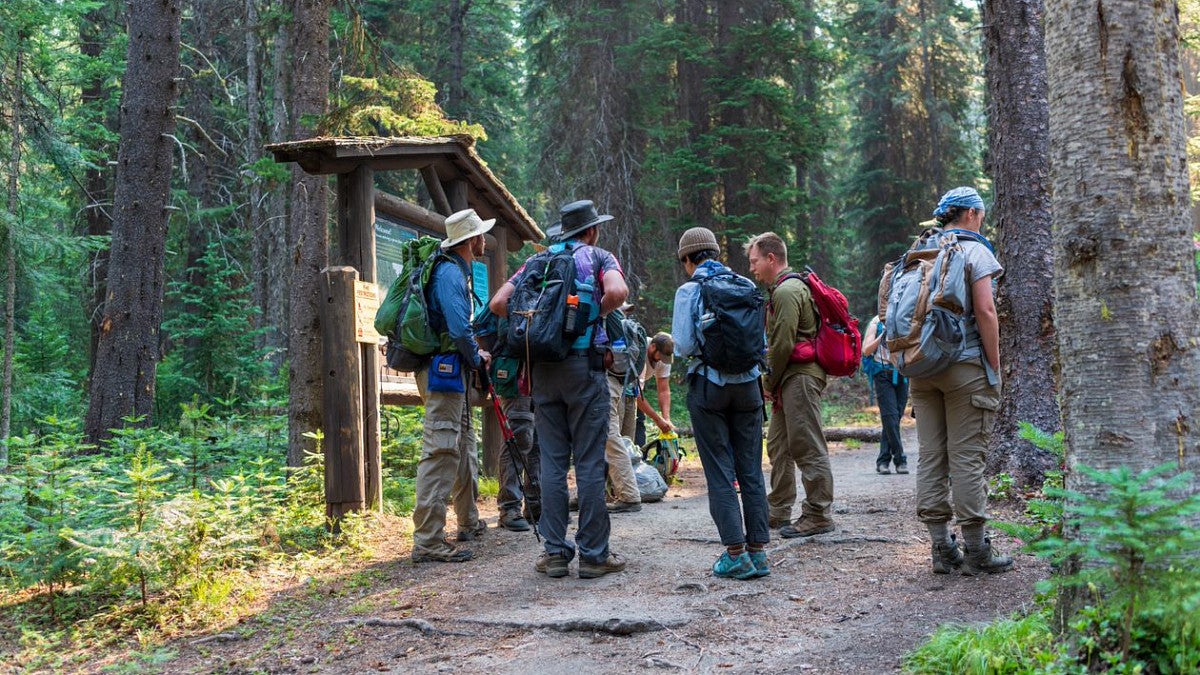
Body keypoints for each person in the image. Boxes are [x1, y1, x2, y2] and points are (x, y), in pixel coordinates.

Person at [491, 199, 629, 579]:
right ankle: (594, 555)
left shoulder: (535, 263)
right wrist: (588, 318)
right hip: (584, 368)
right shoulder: (599, 256)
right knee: (587, 461)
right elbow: (618, 293)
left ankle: (554, 553)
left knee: (552, 462)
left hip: (542, 372)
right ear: (592, 230)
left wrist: (542, 329)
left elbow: (499, 303)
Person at [912, 187, 1012, 575]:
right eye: (981, 214)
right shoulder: (974, 251)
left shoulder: (919, 251)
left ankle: (940, 548)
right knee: (967, 456)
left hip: (922, 368)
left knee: (932, 456)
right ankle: (976, 551)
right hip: (965, 366)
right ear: (971, 214)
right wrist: (995, 364)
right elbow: (986, 311)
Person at [671, 227, 769, 579]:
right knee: (751, 469)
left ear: (688, 259)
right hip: (749, 387)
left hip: (709, 388)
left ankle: (735, 554)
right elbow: (761, 342)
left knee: (720, 472)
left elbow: (682, 344)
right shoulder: (745, 285)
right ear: (714, 252)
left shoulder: (690, 290)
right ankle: (759, 553)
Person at [410, 209, 493, 563]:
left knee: (461, 446)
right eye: (481, 234)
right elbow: (460, 331)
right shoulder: (449, 274)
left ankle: (468, 521)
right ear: (471, 240)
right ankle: (428, 540)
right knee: (442, 450)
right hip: (443, 372)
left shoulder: (453, 271)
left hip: (451, 373)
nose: (484, 239)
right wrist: (478, 357)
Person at [746, 232, 835, 539]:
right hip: (789, 378)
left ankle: (818, 513)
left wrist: (767, 382)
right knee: (779, 446)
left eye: (754, 261)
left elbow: (782, 344)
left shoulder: (786, 291)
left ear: (772, 258)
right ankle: (779, 510)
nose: (752, 268)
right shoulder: (785, 289)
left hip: (799, 377)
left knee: (807, 445)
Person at [862, 314, 909, 475]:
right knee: (890, 416)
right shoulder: (876, 322)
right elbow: (866, 350)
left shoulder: (906, 317)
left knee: (894, 418)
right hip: (882, 373)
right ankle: (900, 459)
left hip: (902, 373)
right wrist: (882, 336)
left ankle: (882, 460)